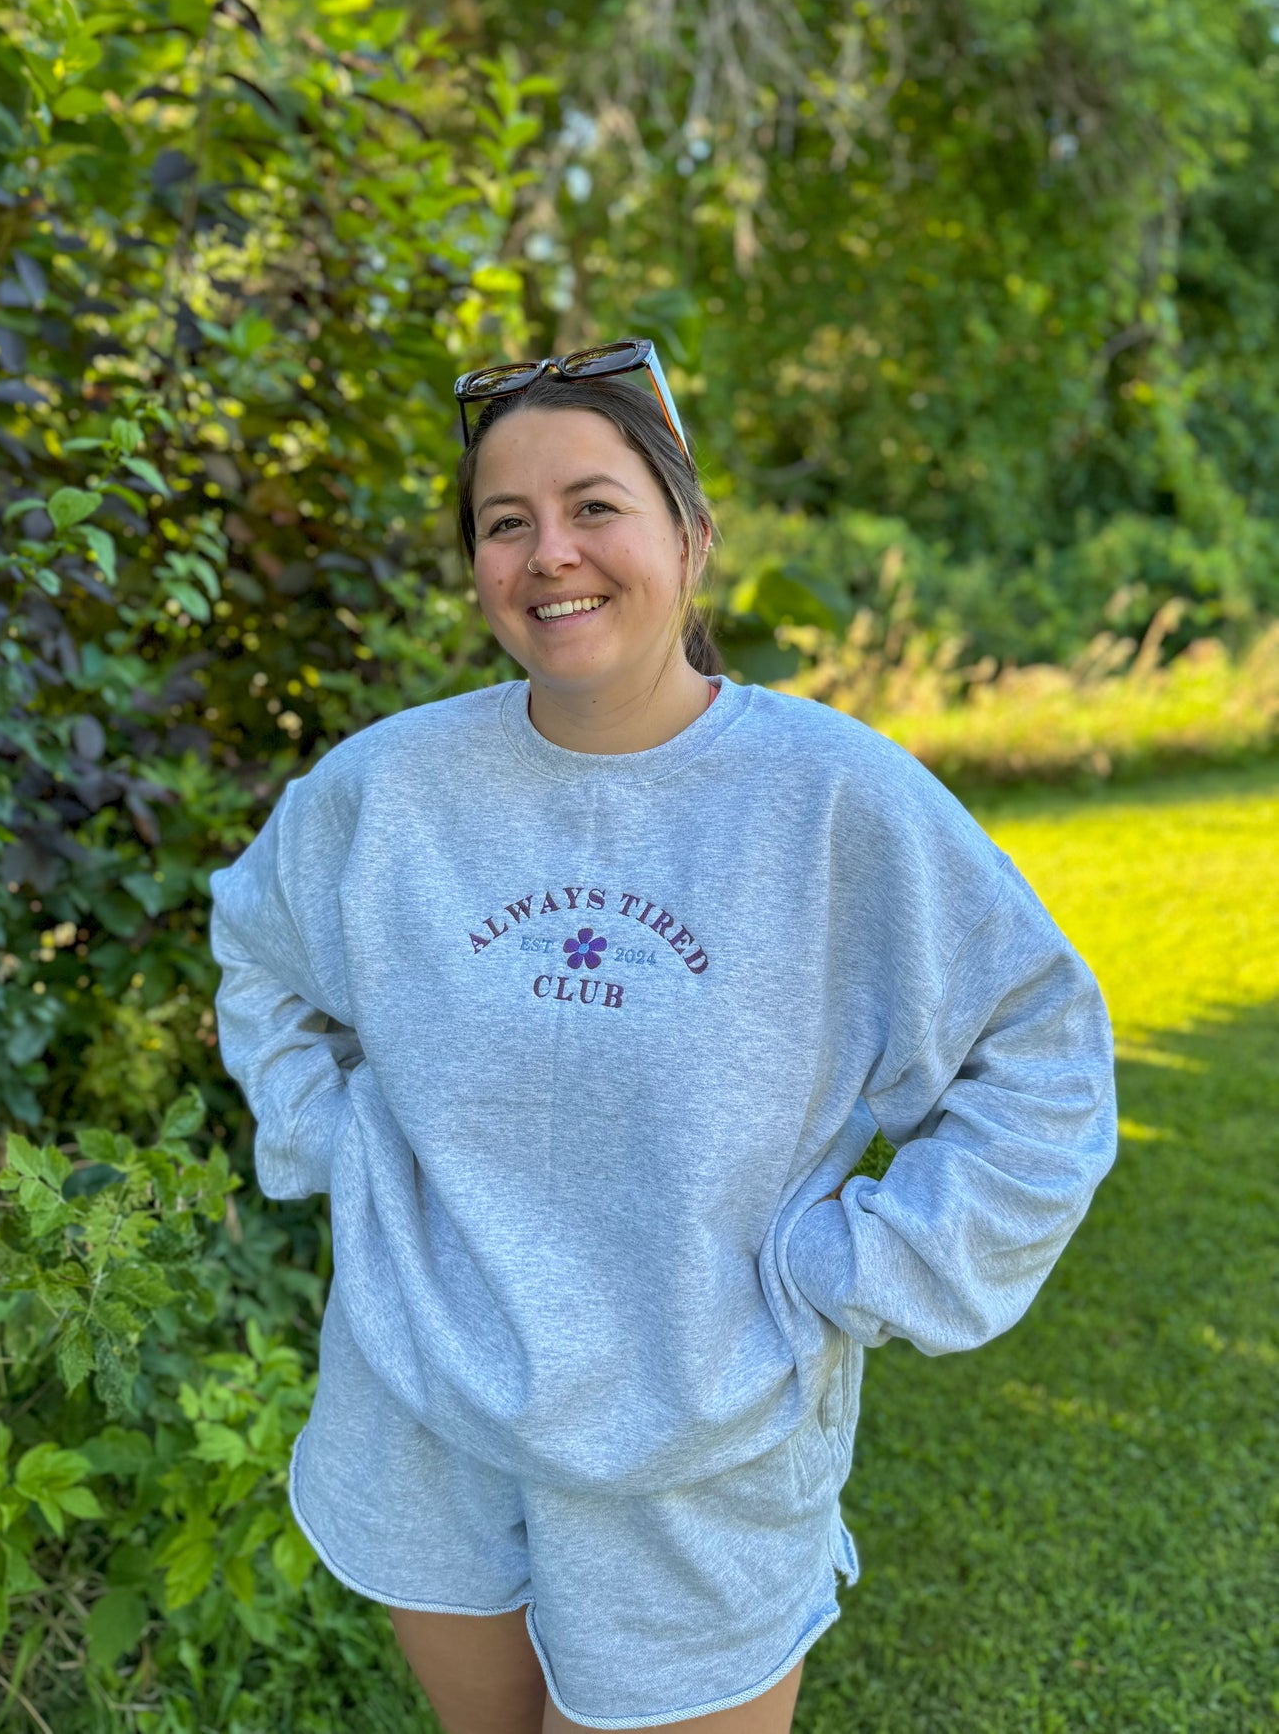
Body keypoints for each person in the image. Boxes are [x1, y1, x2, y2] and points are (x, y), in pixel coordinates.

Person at [207, 341, 1118, 1733]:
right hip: (423, 1423)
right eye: (502, 523)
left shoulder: (831, 800)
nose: (546, 553)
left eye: (592, 506)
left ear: (691, 536)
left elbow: (1038, 1053)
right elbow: (259, 953)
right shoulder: (387, 789)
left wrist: (859, 1264)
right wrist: (338, 1143)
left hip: (698, 1463)